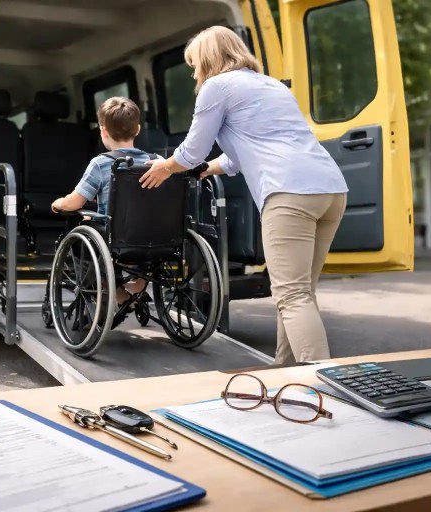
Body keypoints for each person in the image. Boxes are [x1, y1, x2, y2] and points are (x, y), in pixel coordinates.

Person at [139, 26, 348, 365]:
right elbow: (240, 152)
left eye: (194, 64)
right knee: (300, 293)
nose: (194, 72)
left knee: (292, 295)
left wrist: (167, 167)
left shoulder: (216, 87)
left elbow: (192, 150)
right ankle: (285, 370)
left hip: (288, 192)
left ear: (208, 59)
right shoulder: (272, 86)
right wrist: (210, 168)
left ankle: (321, 381)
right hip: (330, 190)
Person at [51, 96, 152, 315]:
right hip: (157, 237)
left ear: (103, 131)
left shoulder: (101, 163)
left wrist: (58, 204)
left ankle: (113, 288)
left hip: (116, 238)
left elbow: (75, 202)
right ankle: (137, 288)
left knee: (81, 224)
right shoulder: (157, 163)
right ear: (137, 129)